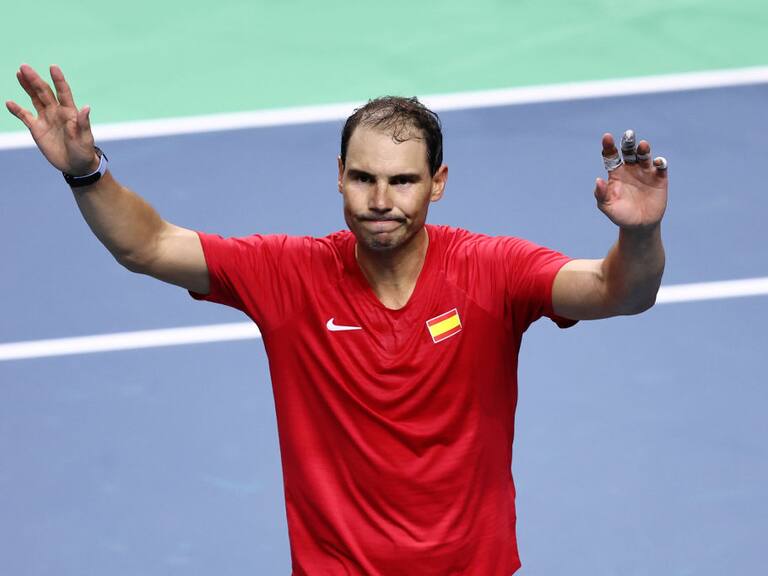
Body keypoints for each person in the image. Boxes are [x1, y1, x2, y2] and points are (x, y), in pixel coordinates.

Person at [6, 64, 667, 575]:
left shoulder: (492, 269)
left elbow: (618, 291)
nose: (381, 201)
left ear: (437, 182)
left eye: (403, 181)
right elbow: (145, 246)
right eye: (363, 178)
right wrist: (87, 174)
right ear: (339, 176)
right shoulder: (289, 275)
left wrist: (641, 234)